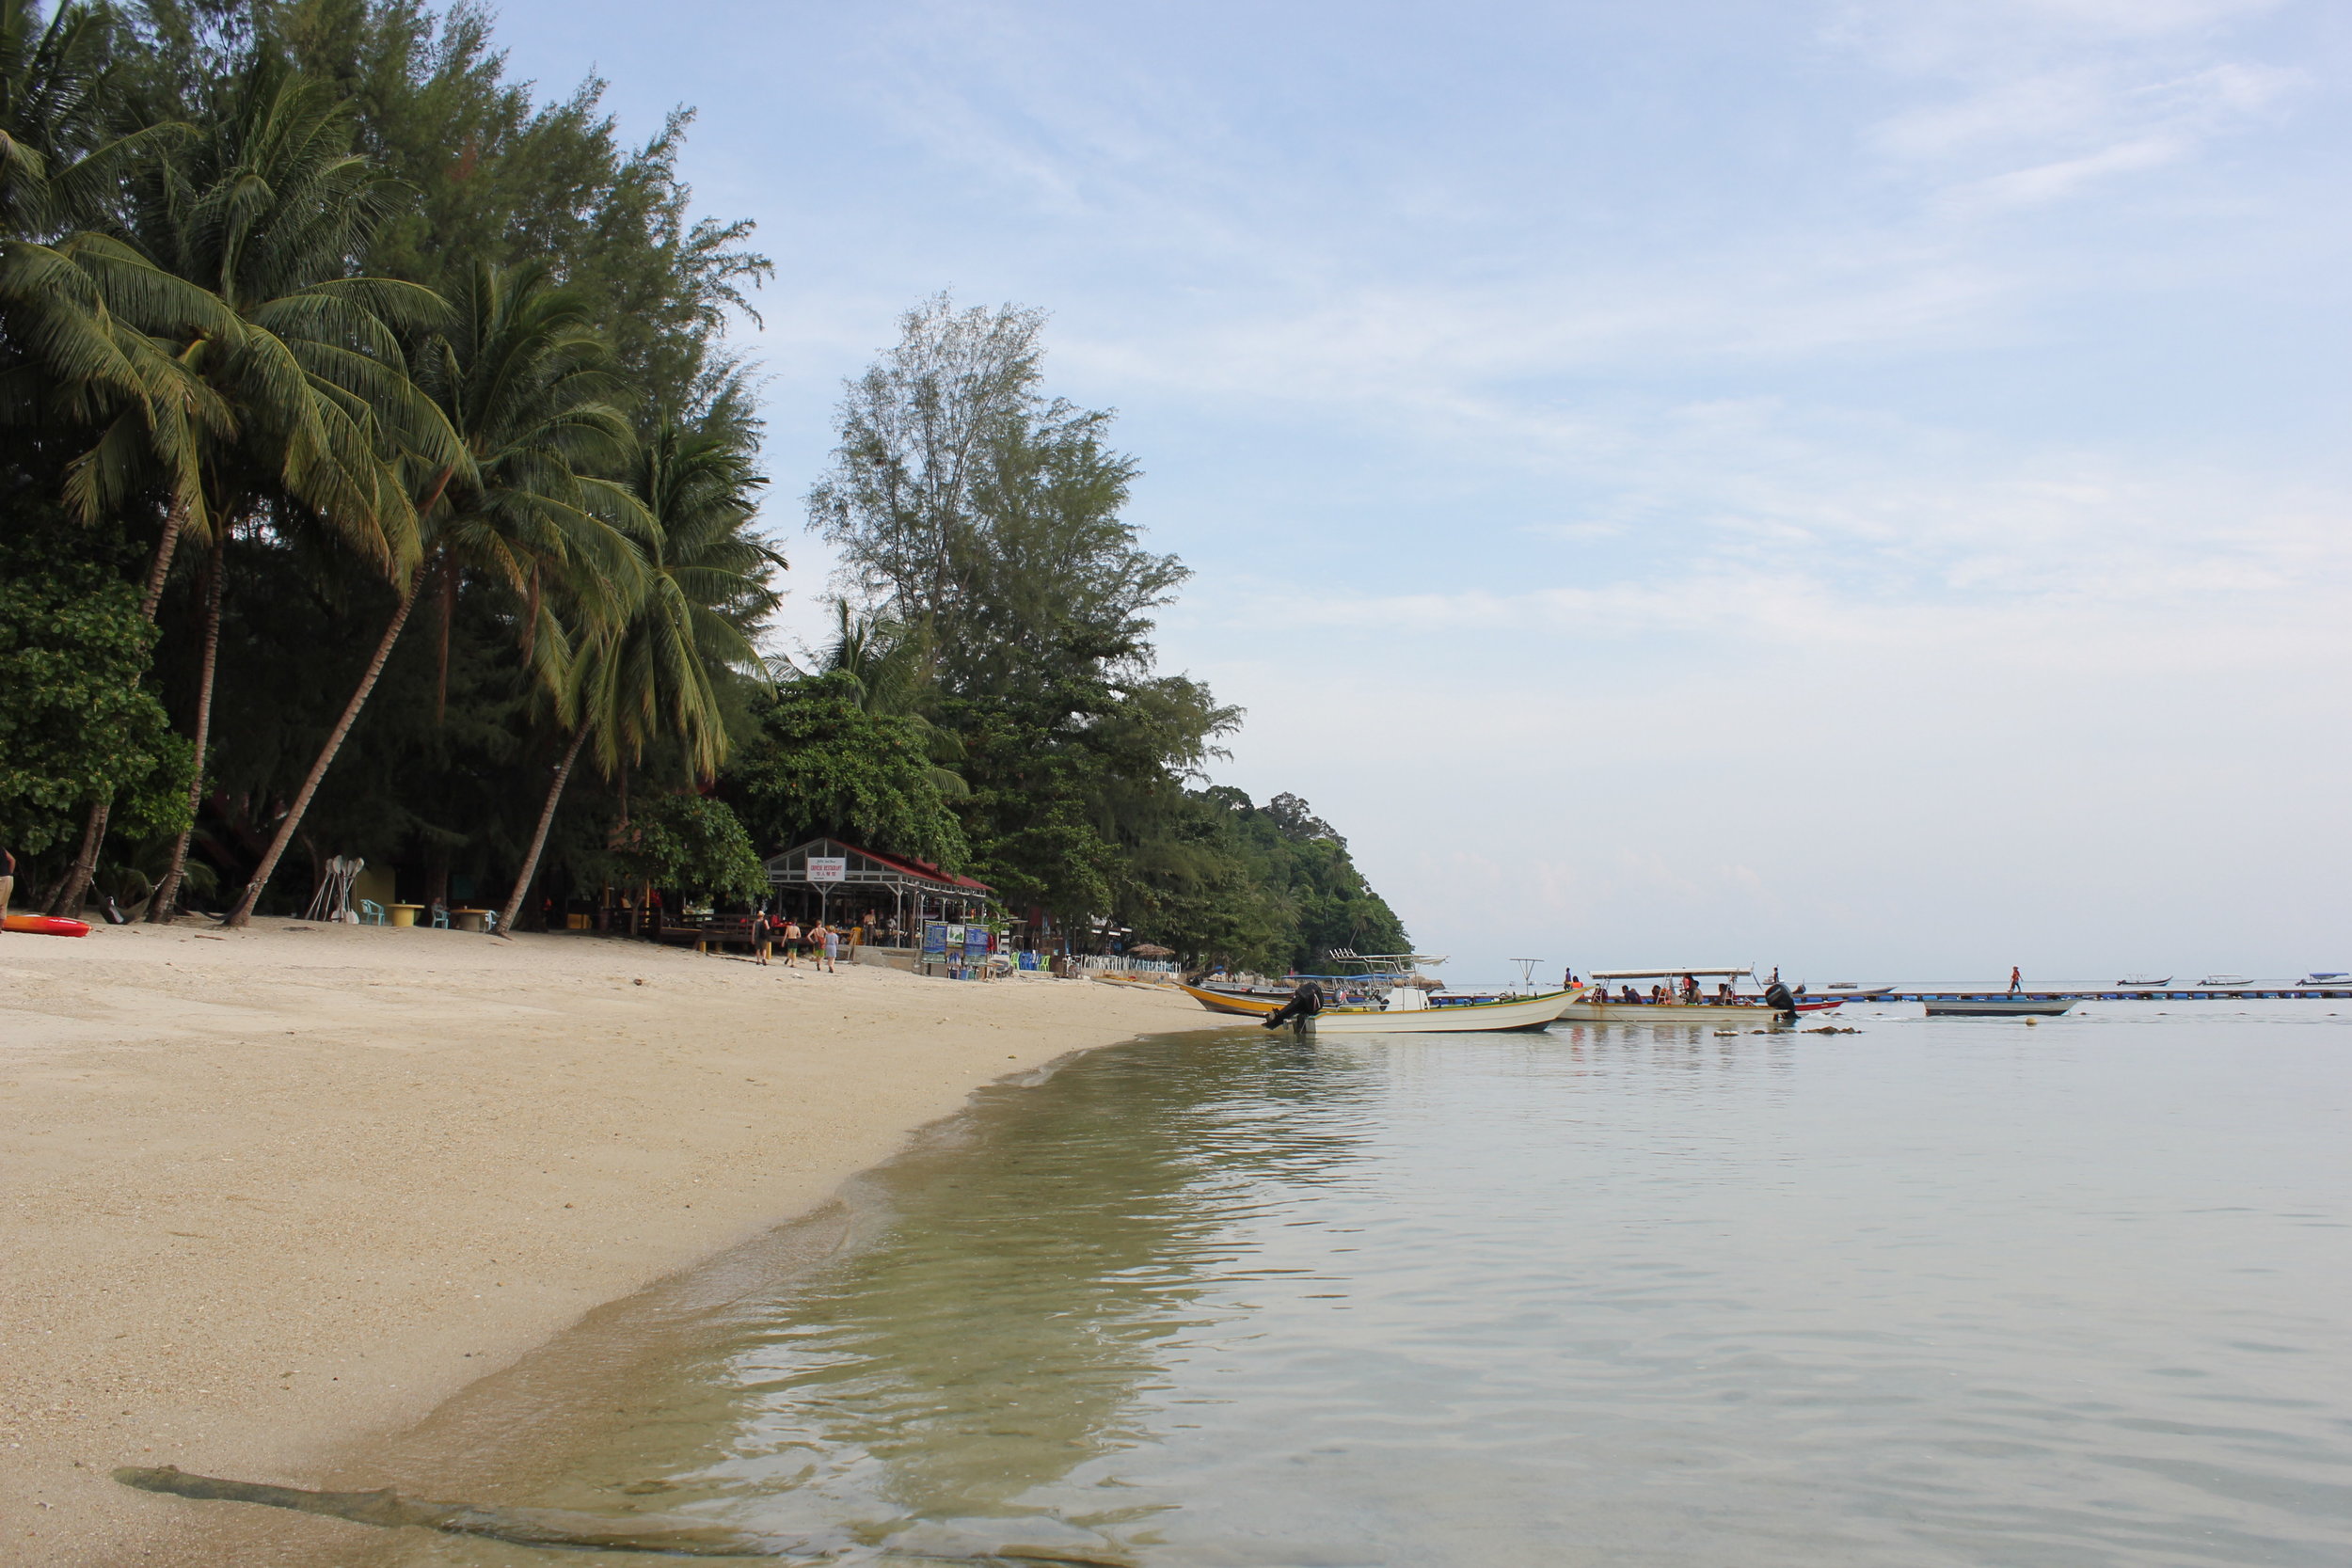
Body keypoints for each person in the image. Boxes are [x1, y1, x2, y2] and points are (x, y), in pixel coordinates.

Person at [0, 837, 13, 924]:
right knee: (3, 905)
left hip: (1, 878)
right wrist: (9, 873)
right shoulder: (2, 848)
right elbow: (12, 860)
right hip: (9, 878)